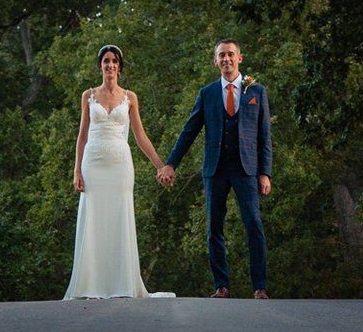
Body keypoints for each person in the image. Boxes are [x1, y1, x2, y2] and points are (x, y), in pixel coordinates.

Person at [159, 39, 272, 299]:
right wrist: (170, 163)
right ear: (215, 61)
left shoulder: (256, 92)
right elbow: (189, 131)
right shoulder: (207, 93)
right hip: (215, 168)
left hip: (247, 169)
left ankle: (260, 286)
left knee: (254, 224)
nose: (226, 59)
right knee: (214, 228)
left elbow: (265, 136)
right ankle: (221, 285)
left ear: (239, 58)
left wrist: (265, 172)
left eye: (230, 54)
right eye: (221, 55)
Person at [64, 45, 168, 300]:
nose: (110, 65)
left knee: (119, 219)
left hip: (120, 165)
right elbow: (82, 136)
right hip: (94, 164)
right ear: (100, 66)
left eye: (114, 61)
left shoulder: (130, 97)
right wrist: (77, 170)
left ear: (120, 68)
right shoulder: (88, 95)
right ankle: (91, 286)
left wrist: (160, 165)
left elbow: (140, 136)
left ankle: (122, 285)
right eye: (106, 61)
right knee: (94, 221)